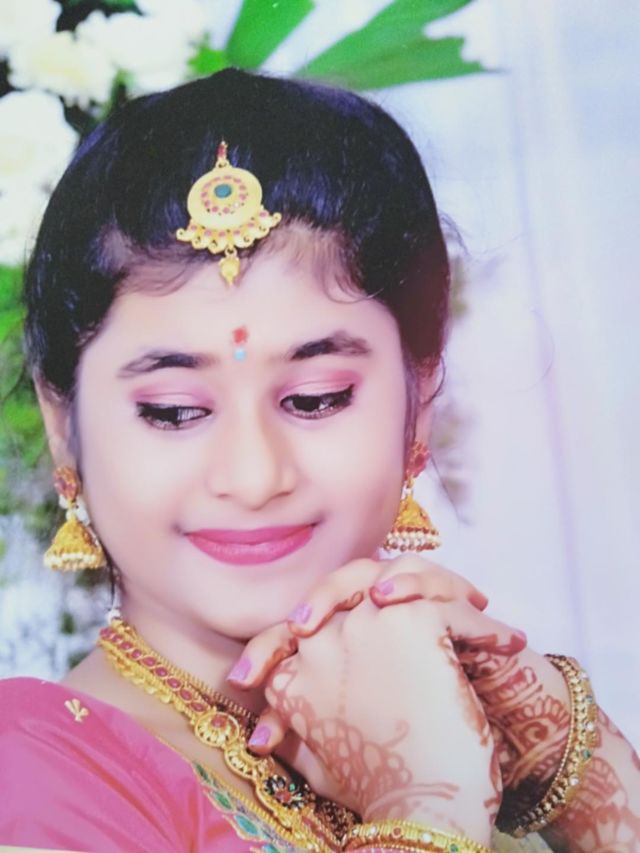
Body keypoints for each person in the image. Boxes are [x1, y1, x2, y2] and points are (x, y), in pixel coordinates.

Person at [0, 68, 637, 853]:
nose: (254, 475)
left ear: (418, 401)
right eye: (174, 410)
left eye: (316, 398)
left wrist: (569, 757)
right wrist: (425, 802)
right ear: (64, 424)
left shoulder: (455, 724)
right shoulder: (32, 778)